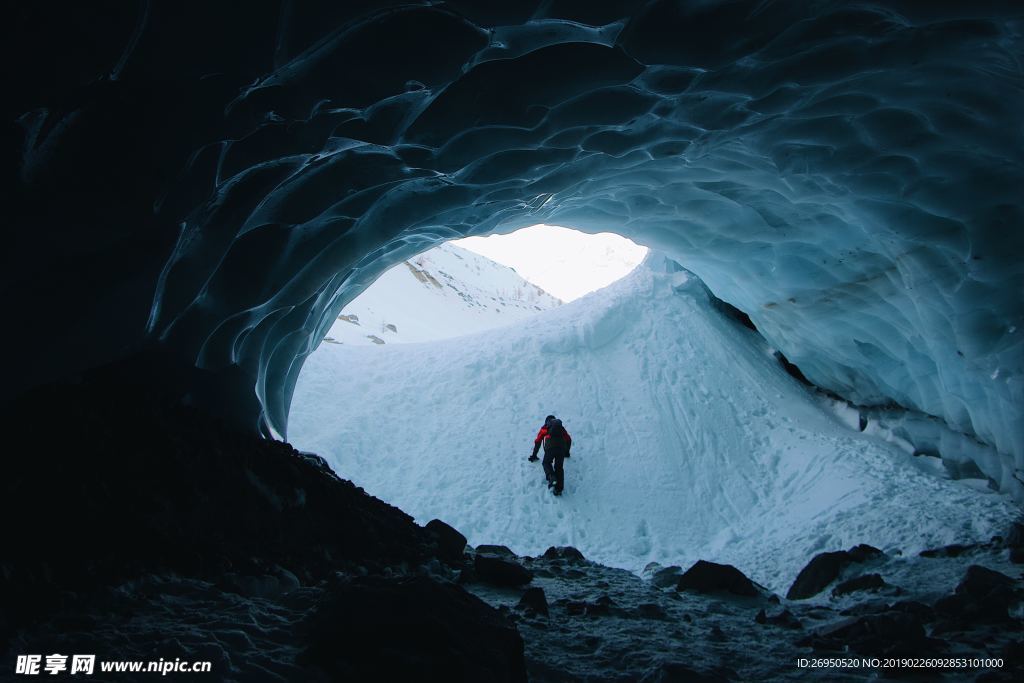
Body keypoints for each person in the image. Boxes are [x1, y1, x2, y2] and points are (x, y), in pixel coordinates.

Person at [528, 415, 572, 495]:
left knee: (546, 463)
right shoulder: (561, 428)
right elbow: (568, 439)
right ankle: (558, 489)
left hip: (550, 448)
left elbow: (538, 441)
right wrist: (566, 452)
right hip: (561, 448)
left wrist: (534, 455)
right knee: (559, 467)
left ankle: (552, 477)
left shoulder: (545, 427)